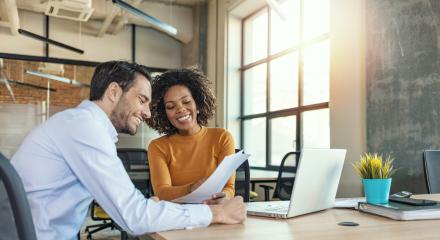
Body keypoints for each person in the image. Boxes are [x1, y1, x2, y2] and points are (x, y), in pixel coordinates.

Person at [11, 61, 246, 240]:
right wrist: (217, 214)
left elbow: (130, 207)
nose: (147, 112)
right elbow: (133, 216)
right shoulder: (83, 128)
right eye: (142, 100)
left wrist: (151, 207)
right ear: (114, 92)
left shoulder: (81, 125)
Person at [147, 67, 236, 203]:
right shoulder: (158, 146)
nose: (181, 109)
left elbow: (229, 187)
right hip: (177, 216)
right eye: (171, 106)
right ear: (164, 114)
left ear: (198, 104)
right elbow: (162, 192)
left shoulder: (222, 137)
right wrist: (191, 189)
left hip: (214, 211)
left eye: (186, 101)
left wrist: (224, 197)